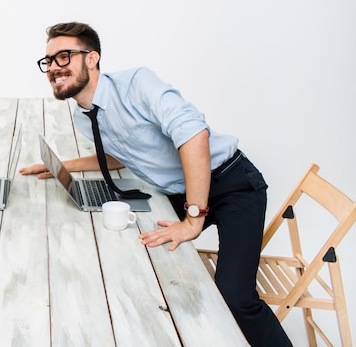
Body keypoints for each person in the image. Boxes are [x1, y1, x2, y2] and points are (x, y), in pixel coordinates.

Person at [20, 22, 292, 347]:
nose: (53, 68)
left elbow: (194, 134)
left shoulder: (137, 84)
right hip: (180, 194)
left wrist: (194, 218)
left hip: (231, 184)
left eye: (63, 57)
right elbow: (121, 153)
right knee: (127, 257)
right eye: (48, 61)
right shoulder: (82, 116)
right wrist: (66, 167)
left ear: (91, 59)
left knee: (235, 298)